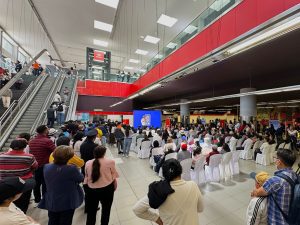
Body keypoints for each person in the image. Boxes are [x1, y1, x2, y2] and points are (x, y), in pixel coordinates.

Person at [133, 159, 204, 225]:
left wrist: (156, 218)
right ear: (181, 171)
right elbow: (200, 208)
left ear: (164, 174)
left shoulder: (159, 191)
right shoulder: (193, 185)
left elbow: (137, 209)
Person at [251, 148, 298, 225]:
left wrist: (253, 192)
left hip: (277, 221)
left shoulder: (276, 180)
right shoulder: (294, 175)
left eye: (276, 158)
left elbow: (256, 193)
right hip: (290, 219)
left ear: (279, 162)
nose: (275, 160)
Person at [39, 146, 84, 225]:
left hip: (52, 198)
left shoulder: (46, 167)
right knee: (66, 221)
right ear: (69, 157)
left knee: (52, 220)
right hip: (68, 201)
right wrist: (76, 169)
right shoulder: (72, 169)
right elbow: (81, 179)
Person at [0, 139, 38, 213]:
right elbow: (35, 167)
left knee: (7, 204)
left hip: (4, 184)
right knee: (23, 203)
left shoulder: (1, 156)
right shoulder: (29, 157)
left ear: (11, 146)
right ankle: (22, 214)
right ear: (24, 147)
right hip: (23, 183)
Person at [84, 146, 119, 225]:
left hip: (91, 190)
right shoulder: (110, 162)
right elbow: (113, 175)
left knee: (91, 212)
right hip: (107, 189)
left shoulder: (88, 163)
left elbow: (86, 176)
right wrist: (114, 185)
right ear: (104, 153)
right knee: (106, 210)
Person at [29, 125, 56, 204]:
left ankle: (37, 199)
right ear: (45, 131)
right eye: (47, 129)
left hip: (35, 165)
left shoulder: (32, 141)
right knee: (45, 183)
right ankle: (45, 199)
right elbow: (55, 151)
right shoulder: (47, 141)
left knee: (36, 183)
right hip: (45, 165)